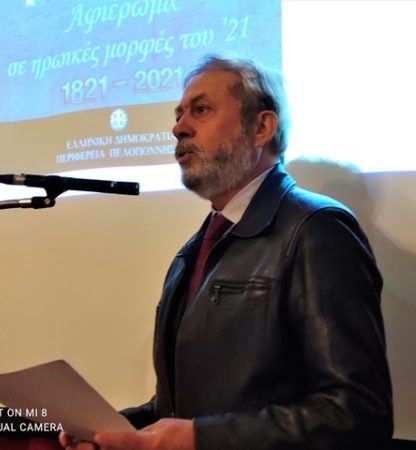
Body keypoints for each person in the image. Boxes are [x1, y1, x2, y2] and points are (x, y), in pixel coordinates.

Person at [61, 55, 393, 450]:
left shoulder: (316, 229)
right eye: (179, 115)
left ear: (261, 127)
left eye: (201, 110)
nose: (179, 127)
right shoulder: (192, 251)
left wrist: (199, 439)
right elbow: (181, 409)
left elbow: (356, 413)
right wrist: (115, 429)